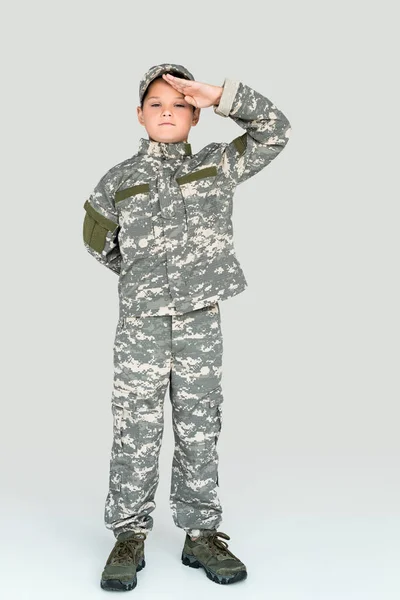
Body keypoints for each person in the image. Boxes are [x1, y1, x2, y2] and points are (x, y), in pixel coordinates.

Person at [82, 63, 291, 591]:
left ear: (196, 115)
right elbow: (98, 240)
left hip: (200, 321)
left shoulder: (218, 164)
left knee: (200, 426)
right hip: (141, 327)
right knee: (136, 430)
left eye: (179, 103)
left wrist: (221, 94)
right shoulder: (118, 180)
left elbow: (275, 130)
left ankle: (202, 533)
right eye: (156, 103)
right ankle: (128, 534)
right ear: (139, 114)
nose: (167, 111)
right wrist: (145, 281)